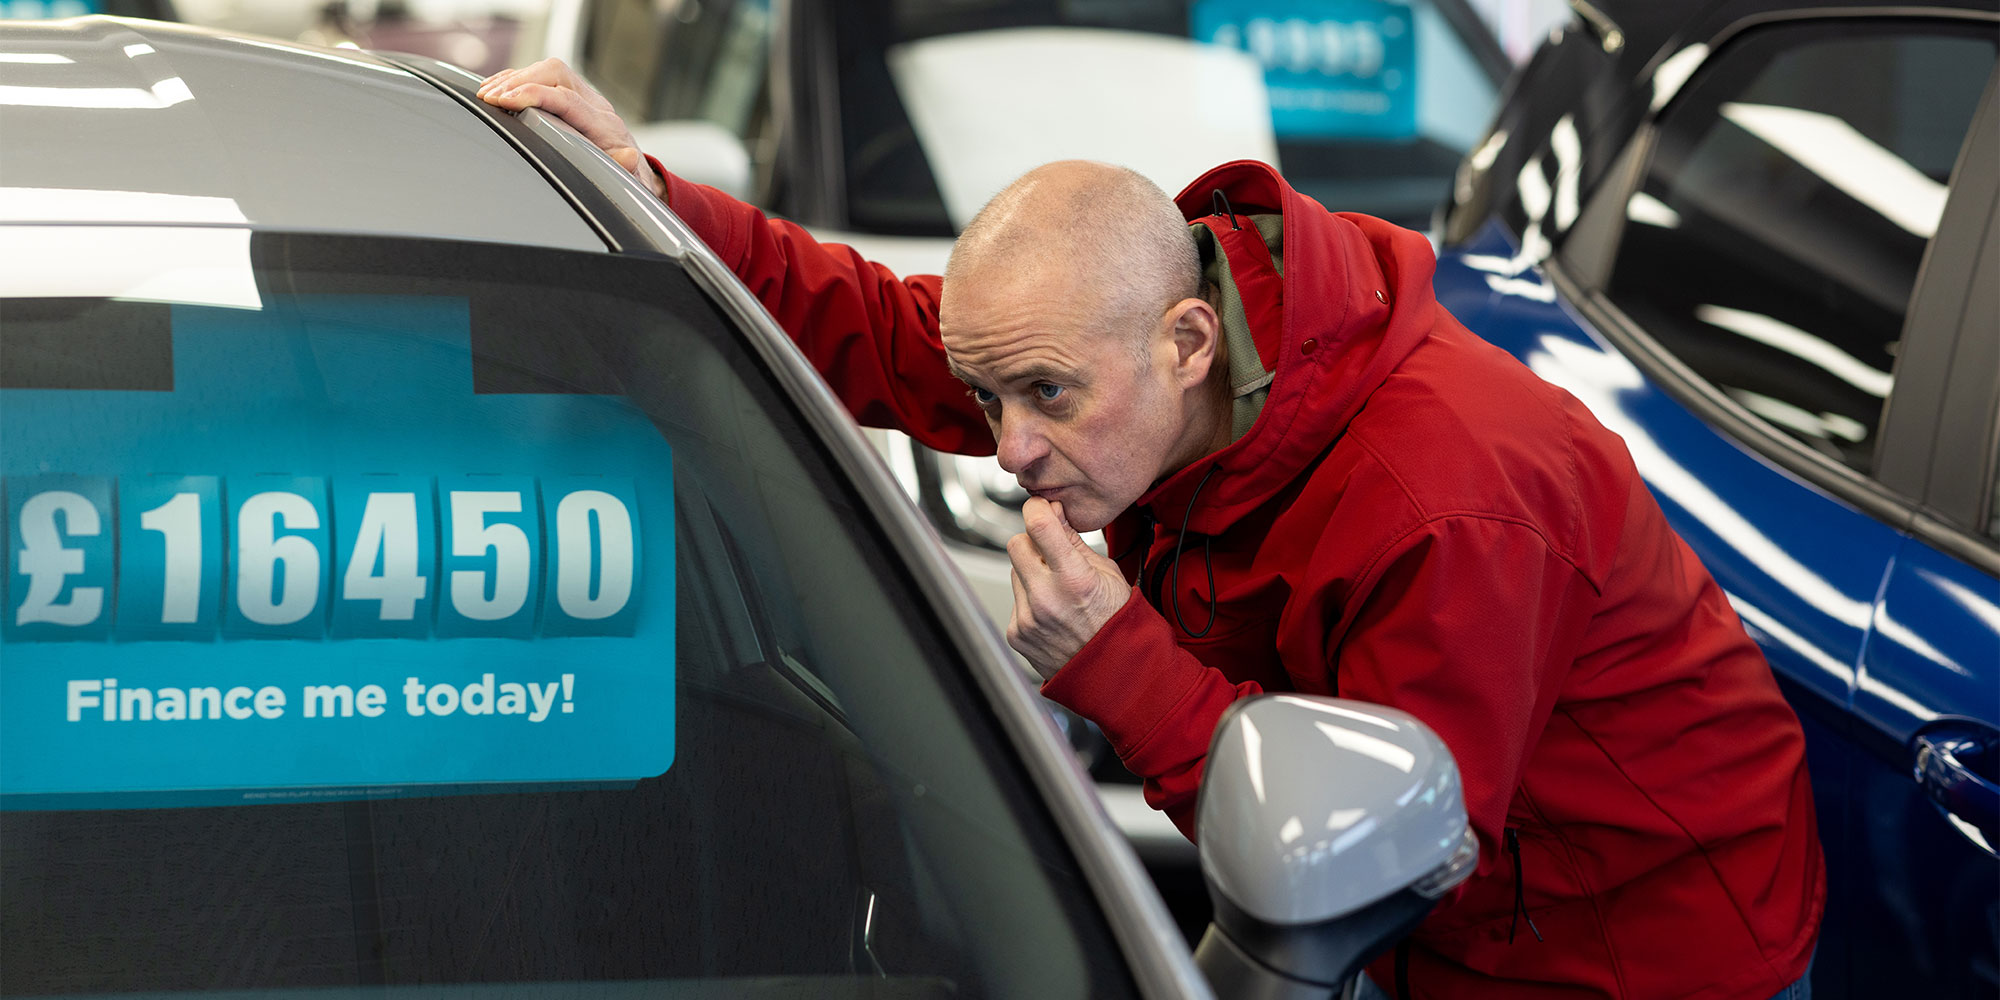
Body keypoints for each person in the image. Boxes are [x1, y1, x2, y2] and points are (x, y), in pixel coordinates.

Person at [478, 60, 1823, 1000]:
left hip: (1627, 958)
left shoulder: (1446, 507)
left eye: (1044, 399)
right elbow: (892, 332)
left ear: (1189, 342)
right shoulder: (1142, 348)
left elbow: (1382, 868)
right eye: (994, 398)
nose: (1007, 449)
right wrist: (654, 192)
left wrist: (1120, 665)